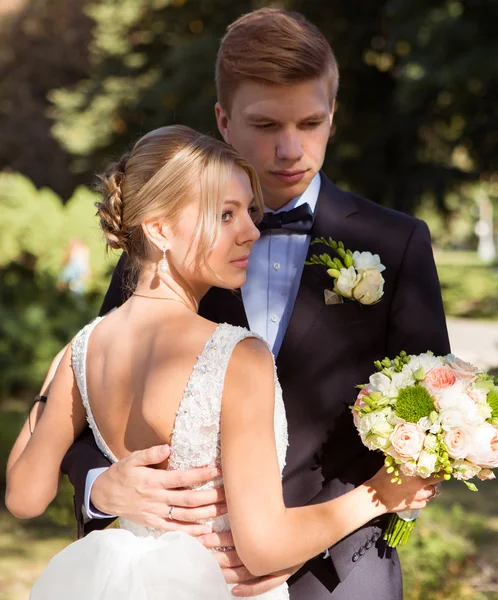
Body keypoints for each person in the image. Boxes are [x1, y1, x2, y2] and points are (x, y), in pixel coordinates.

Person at [55, 7, 450, 599]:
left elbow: (434, 422)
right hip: (183, 570)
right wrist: (101, 486)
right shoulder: (166, 240)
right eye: (265, 125)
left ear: (332, 116)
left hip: (341, 572)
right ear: (223, 120)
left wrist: (290, 539)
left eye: (311, 123)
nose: (290, 149)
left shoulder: (396, 244)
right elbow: (87, 396)